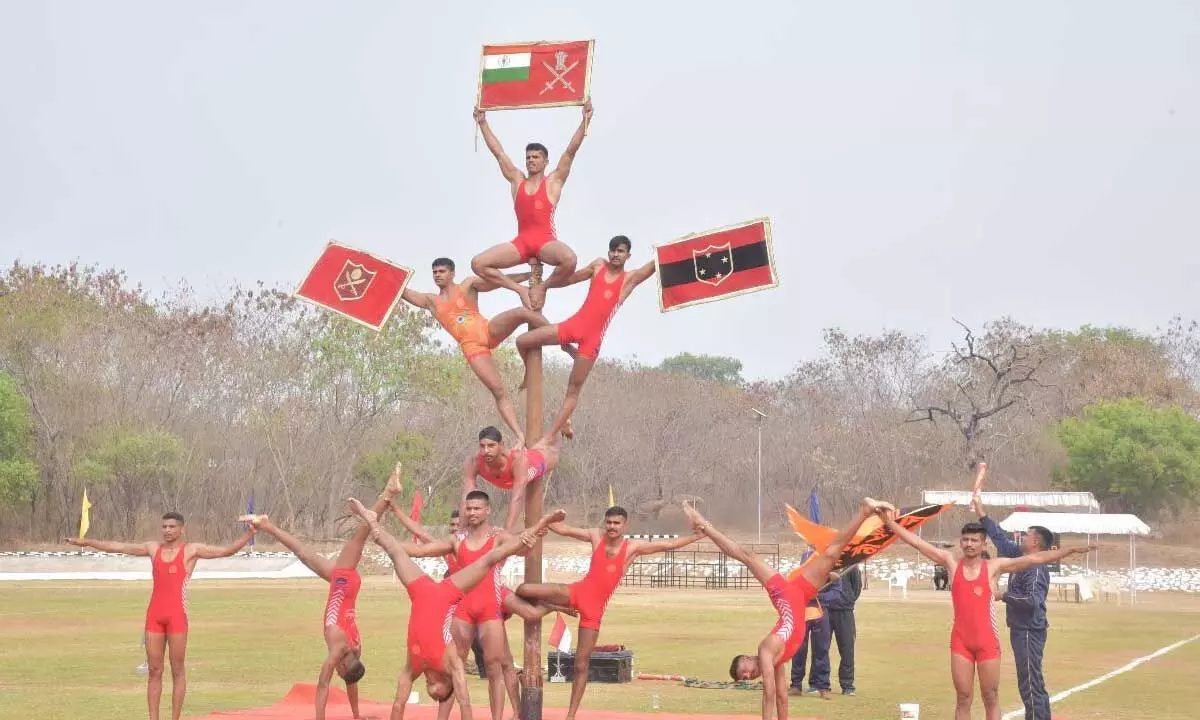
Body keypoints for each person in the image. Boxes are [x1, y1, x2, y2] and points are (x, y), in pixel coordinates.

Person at [346, 496, 563, 720]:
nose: (429, 683)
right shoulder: (451, 664)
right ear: (444, 679)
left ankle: (370, 519)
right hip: (453, 595)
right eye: (468, 508)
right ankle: (541, 523)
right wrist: (535, 530)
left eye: (476, 508)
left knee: (392, 549)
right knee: (487, 561)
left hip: (434, 593)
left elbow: (400, 702)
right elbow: (464, 701)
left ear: (488, 510)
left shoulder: (414, 667)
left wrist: (529, 538)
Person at [681, 499, 890, 720]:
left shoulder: (766, 651)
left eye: (744, 669)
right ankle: (855, 529)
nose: (747, 674)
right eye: (746, 678)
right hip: (801, 594)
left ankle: (703, 523)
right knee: (830, 555)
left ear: (746, 657)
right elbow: (781, 697)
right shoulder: (776, 660)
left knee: (747, 556)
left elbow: (769, 694)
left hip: (785, 595)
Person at [880, 511, 1094, 720]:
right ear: (960, 542)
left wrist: (1070, 550)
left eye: (975, 540)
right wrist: (890, 523)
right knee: (963, 698)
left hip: (987, 643)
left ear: (984, 544)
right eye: (965, 540)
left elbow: (1035, 559)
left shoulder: (994, 567)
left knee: (990, 697)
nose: (969, 544)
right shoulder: (951, 562)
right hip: (961, 642)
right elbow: (917, 543)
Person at [239, 467, 404, 720]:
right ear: (342, 663)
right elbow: (323, 686)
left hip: (347, 591)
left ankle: (267, 525)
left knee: (307, 554)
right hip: (343, 585)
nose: (336, 672)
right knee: (354, 538)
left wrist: (357, 715)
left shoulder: (355, 653)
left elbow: (351, 681)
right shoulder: (338, 652)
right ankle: (386, 495)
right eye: (339, 670)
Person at [515, 506, 703, 720]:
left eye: (617, 523)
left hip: (594, 610)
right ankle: (557, 607)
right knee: (524, 589)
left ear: (625, 525)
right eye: (609, 522)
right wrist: (543, 518)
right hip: (576, 592)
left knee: (580, 664)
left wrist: (696, 536)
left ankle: (571, 715)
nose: (612, 527)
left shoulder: (632, 548)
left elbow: (668, 545)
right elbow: (564, 529)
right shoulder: (596, 536)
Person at [66, 513, 256, 720]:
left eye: (172, 527)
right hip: (154, 617)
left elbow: (226, 551)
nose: (167, 530)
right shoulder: (153, 548)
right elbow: (118, 547)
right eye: (164, 526)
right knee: (154, 671)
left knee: (177, 670)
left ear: (181, 529)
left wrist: (250, 533)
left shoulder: (192, 550)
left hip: (176, 618)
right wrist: (87, 542)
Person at [516, 236, 657, 445]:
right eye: (612, 250)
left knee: (573, 390)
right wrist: (543, 285)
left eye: (620, 251)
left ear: (628, 255)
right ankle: (534, 368)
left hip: (591, 341)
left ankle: (551, 435)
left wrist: (678, 247)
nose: (615, 255)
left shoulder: (629, 279)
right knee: (522, 341)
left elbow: (654, 265)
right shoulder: (598, 265)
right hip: (573, 325)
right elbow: (569, 279)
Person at [402, 257, 546, 448]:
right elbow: (402, 290)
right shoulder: (431, 301)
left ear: (452, 273)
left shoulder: (468, 285)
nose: (437, 275)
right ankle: (520, 436)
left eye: (442, 271)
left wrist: (529, 275)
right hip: (473, 348)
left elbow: (498, 281)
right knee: (498, 391)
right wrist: (386, 273)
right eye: (435, 272)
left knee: (523, 312)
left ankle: (563, 337)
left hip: (488, 330)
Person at [471, 102, 592, 311]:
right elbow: (498, 153)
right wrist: (482, 123)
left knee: (570, 259)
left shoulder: (553, 182)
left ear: (545, 161)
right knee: (478, 263)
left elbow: (570, 152)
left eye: (536, 157)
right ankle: (520, 290)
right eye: (528, 157)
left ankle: (542, 288)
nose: (531, 160)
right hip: (521, 243)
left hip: (545, 242)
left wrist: (585, 121)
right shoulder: (517, 180)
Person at [973, 496, 1057, 720]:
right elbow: (999, 539)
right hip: (1020, 628)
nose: (1022, 537)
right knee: (1029, 679)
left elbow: (1032, 601)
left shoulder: (1036, 567)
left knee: (1030, 681)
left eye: (1027, 535)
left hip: (1030, 630)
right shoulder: (1021, 557)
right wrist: (982, 514)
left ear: (1036, 543)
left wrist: (1003, 595)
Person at [467, 425, 565, 530]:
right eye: (482, 446)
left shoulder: (516, 461)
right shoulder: (475, 462)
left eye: (491, 445)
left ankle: (562, 428)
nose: (486, 451)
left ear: (501, 445)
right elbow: (467, 495)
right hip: (520, 464)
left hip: (537, 461)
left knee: (554, 451)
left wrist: (506, 531)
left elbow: (517, 498)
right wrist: (462, 531)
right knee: (537, 447)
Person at [821, 564, 862, 697]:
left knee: (847, 649)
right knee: (821, 648)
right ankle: (821, 684)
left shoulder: (851, 565)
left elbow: (857, 587)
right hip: (825, 609)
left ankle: (847, 685)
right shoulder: (826, 561)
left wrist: (847, 600)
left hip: (845, 611)